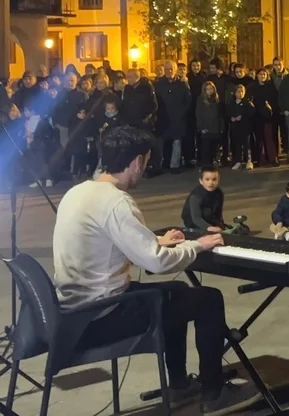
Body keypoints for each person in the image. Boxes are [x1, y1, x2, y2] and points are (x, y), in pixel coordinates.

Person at [53, 125, 259, 414]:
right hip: (103, 314)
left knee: (177, 291)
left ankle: (179, 385)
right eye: (147, 161)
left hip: (75, 312)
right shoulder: (116, 201)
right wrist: (197, 245)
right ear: (137, 161)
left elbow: (108, 241)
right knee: (209, 299)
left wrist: (152, 240)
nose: (146, 167)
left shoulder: (78, 191)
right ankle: (215, 394)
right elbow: (157, 262)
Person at [181, 168, 248, 235]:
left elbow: (218, 213)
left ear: (218, 180)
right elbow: (196, 218)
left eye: (214, 179)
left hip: (209, 219)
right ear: (201, 181)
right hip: (193, 223)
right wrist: (208, 227)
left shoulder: (219, 193)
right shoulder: (196, 196)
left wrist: (221, 224)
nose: (211, 182)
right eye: (207, 179)